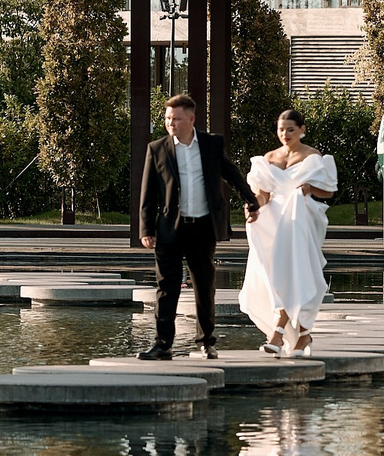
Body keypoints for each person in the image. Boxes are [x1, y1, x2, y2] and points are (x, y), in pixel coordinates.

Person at [134, 93, 255, 360]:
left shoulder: (211, 144)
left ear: (191, 119)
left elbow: (230, 173)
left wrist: (251, 200)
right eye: (167, 119)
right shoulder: (157, 149)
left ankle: (206, 343)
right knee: (167, 288)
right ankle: (163, 345)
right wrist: (146, 229)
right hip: (169, 229)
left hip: (202, 228)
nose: (171, 124)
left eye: (176, 119)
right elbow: (148, 192)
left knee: (204, 286)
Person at [241, 109, 338, 355]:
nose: (285, 134)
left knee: (297, 272)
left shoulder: (313, 156)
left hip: (299, 219)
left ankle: (278, 332)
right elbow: (262, 194)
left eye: (290, 129)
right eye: (281, 129)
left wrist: (308, 188)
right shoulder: (269, 157)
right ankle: (303, 336)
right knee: (275, 274)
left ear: (302, 130)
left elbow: (328, 191)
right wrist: (253, 207)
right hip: (273, 221)